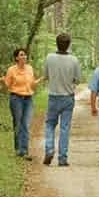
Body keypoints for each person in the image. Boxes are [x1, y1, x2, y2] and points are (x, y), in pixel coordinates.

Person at [41, 32, 80, 167]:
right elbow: (77, 79)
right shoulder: (74, 60)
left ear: (57, 44)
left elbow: (45, 76)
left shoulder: (49, 57)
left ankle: (49, 149)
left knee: (50, 124)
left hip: (53, 96)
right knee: (64, 128)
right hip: (68, 97)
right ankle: (62, 158)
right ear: (68, 45)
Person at [1, 47, 37, 159]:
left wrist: (39, 81)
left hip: (28, 99)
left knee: (25, 124)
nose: (24, 56)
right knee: (18, 124)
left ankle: (25, 151)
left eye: (25, 55)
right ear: (16, 58)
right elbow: (7, 85)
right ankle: (18, 149)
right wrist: (3, 81)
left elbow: (32, 83)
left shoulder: (30, 68)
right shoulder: (11, 70)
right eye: (21, 55)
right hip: (16, 98)